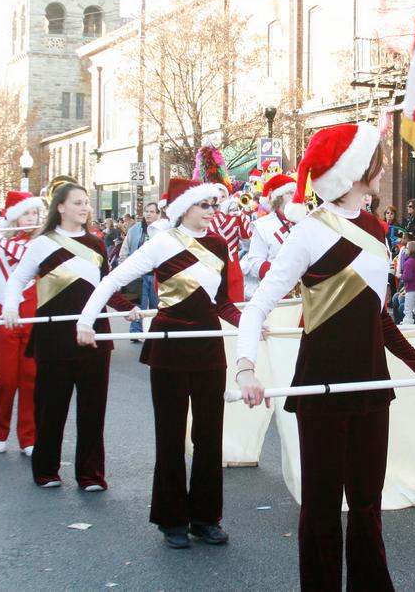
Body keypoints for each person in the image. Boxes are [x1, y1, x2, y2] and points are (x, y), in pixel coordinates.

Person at [234, 122, 415, 591]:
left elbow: (379, 318)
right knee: (320, 509)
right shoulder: (308, 233)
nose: (383, 169)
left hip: (372, 388)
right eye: (377, 161)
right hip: (320, 389)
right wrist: (246, 367)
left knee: (367, 508)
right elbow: (257, 307)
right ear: (358, 171)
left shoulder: (377, 229)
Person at [77, 178, 243, 549]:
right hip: (169, 348)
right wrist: (86, 321)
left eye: (213, 207)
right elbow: (111, 281)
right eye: (204, 206)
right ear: (184, 208)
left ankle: (206, 517)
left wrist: (249, 324)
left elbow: (222, 303)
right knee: (169, 435)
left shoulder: (218, 244)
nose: (211, 213)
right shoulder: (162, 244)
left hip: (207, 347)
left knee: (209, 435)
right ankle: (172, 520)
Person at [2, 182, 137, 490]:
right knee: (51, 407)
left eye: (86, 203)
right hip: (54, 338)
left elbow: (105, 286)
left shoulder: (96, 244)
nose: (84, 207)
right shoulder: (42, 243)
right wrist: (10, 306)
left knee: (92, 409)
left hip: (94, 337)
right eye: (77, 202)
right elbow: (17, 280)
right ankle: (46, 469)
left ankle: (90, 474)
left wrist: (128, 308)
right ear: (60, 207)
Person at [0, 191, 44, 455]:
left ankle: (28, 436)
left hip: (33, 312)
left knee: (31, 377)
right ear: (15, 217)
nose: (33, 218)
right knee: (6, 378)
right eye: (28, 213)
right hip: (2, 312)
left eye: (36, 213)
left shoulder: (41, 243)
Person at [239, 174, 298, 299]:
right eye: (289, 193)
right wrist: (280, 274)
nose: (295, 197)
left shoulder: (306, 223)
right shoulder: (263, 226)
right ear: (278, 198)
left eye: (296, 192)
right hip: (275, 295)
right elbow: (254, 262)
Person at [121, 202, 162, 340]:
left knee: (157, 306)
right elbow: (125, 250)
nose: (148, 214)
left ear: (158, 214)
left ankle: (156, 333)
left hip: (157, 275)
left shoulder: (163, 230)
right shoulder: (135, 230)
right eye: (146, 211)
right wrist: (125, 267)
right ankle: (135, 332)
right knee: (138, 304)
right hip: (138, 275)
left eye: (151, 211)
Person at [209, 186, 253, 304]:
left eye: (223, 197)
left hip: (233, 266)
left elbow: (247, 241)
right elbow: (211, 234)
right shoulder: (207, 217)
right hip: (213, 267)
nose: (220, 200)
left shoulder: (236, 216)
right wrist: (222, 214)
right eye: (216, 197)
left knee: (236, 304)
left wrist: (241, 218)